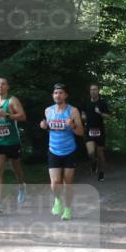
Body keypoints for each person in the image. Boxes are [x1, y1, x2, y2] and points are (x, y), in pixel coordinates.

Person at [39, 83, 84, 220]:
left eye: (60, 93)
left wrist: (73, 125)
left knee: (68, 182)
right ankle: (58, 200)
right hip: (53, 150)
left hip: (69, 150)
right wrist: (44, 126)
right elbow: (49, 128)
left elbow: (81, 132)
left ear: (65, 95)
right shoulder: (48, 111)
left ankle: (68, 209)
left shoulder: (73, 111)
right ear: (53, 95)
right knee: (55, 182)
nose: (57, 95)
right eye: (55, 93)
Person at [0, 77, 28, 212]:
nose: (0, 86)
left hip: (12, 140)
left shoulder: (12, 100)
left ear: (7, 87)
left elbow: (22, 116)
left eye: (3, 84)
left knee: (16, 167)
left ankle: (22, 186)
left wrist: (9, 115)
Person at [81, 83, 112, 181]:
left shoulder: (102, 103)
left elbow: (109, 116)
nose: (93, 91)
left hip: (100, 130)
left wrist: (100, 113)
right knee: (91, 153)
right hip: (89, 130)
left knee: (100, 153)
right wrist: (83, 117)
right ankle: (93, 162)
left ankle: (101, 172)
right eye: (91, 90)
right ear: (90, 91)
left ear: (98, 91)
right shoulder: (86, 102)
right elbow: (82, 113)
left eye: (95, 89)